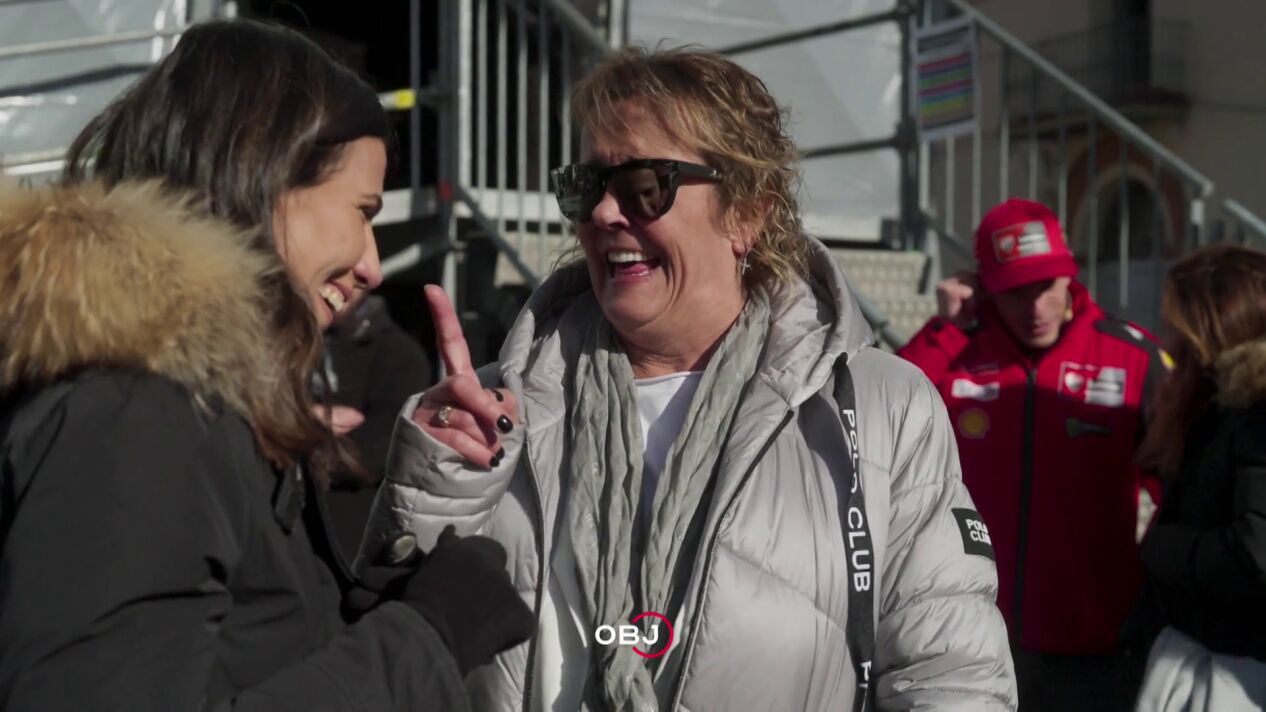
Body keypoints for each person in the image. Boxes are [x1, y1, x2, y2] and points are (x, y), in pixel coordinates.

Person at [360, 46, 1017, 711]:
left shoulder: (879, 406)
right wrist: (436, 488)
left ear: (745, 212)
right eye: (586, 186)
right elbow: (388, 657)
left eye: (645, 185)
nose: (604, 213)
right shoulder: (496, 410)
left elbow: (953, 678)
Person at [0, 20, 531, 710]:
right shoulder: (138, 418)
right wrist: (427, 635)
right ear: (264, 178)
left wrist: (396, 595)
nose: (372, 266)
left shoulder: (183, 405)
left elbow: (249, 652)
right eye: (362, 211)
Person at [898, 198, 1169, 709]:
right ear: (984, 289)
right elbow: (884, 419)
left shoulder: (1133, 357)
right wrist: (947, 328)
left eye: (1044, 286)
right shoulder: (955, 352)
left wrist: (1135, 591)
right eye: (1014, 293)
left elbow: (1182, 490)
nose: (1035, 309)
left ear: (1069, 274)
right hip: (967, 639)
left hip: (1095, 650)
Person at [1130, 244, 1266, 710]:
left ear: (1214, 326)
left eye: (1175, 321)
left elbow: (1256, 552)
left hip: (1239, 674)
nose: (1166, 336)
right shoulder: (1216, 400)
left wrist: (1158, 546)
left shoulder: (1255, 411)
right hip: (1207, 657)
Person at [315, 289, 434, 561]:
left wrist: (289, 438)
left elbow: (377, 451)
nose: (352, 276)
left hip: (347, 545)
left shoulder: (400, 356)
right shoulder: (278, 344)